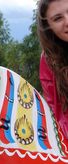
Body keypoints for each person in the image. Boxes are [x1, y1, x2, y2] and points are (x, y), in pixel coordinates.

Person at [38, 0, 68, 138]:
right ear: (49, 27)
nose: (67, 21)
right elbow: (56, 114)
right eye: (58, 18)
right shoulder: (49, 61)